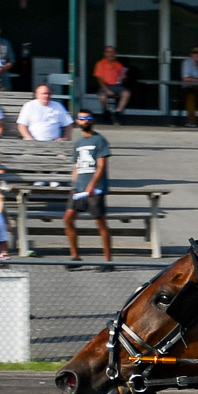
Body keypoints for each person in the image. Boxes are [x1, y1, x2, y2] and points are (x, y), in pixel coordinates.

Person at [65, 111, 112, 261]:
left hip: (95, 188)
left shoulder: (99, 140)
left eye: (87, 118)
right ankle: (75, 256)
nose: (84, 121)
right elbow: (76, 166)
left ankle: (107, 259)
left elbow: (101, 165)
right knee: (68, 218)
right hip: (79, 188)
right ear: (77, 121)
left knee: (100, 221)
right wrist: (74, 184)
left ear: (92, 121)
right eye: (81, 118)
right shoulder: (78, 143)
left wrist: (92, 185)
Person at [95, 46, 131, 123]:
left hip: (116, 86)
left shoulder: (118, 65)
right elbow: (100, 79)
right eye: (108, 52)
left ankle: (118, 112)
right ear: (105, 53)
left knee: (126, 93)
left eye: (112, 52)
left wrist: (124, 78)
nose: (110, 54)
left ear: (115, 53)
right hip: (105, 85)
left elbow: (122, 80)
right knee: (102, 97)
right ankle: (106, 112)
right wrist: (107, 90)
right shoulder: (100, 64)